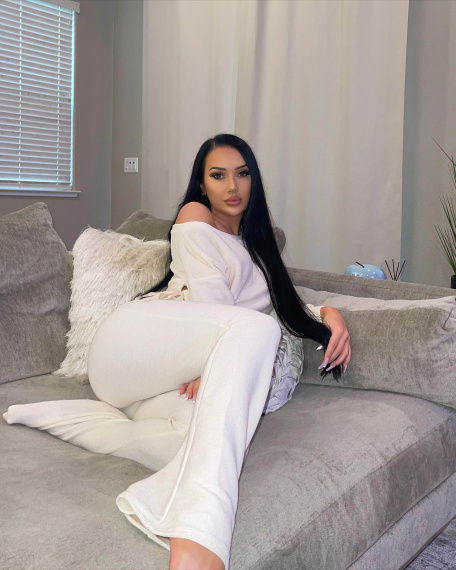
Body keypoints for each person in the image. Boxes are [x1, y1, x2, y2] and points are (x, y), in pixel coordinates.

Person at [3, 134, 351, 570]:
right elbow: (216, 304)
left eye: (242, 174)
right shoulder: (195, 216)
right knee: (255, 335)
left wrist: (328, 313)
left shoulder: (259, 247)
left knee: (198, 438)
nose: (232, 186)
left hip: (165, 379)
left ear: (254, 181)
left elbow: (277, 306)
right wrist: (216, 357)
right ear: (202, 185)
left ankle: (81, 419)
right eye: (218, 175)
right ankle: (199, 534)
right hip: (131, 346)